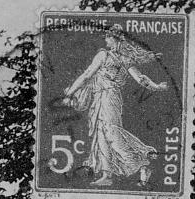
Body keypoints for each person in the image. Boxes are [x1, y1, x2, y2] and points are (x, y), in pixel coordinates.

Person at [62, 24, 169, 187]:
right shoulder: (124, 59)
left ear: (114, 39)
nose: (106, 40)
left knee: (111, 133)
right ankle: (107, 175)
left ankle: (142, 163)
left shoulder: (103, 55)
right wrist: (157, 86)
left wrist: (69, 93)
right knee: (102, 134)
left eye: (107, 37)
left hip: (107, 97)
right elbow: (141, 79)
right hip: (106, 98)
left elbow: (86, 76)